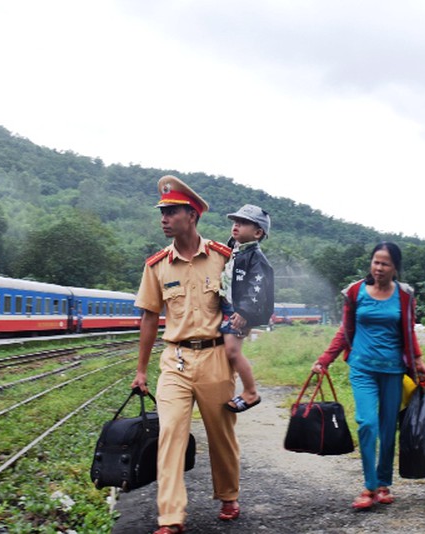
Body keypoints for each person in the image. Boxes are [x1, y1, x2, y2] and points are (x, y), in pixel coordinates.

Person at [131, 175, 241, 534]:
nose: (164, 219)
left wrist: (237, 348)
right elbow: (150, 317)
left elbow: (241, 308)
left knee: (221, 434)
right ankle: (170, 516)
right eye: (162, 212)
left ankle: (228, 494)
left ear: (192, 215)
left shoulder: (223, 259)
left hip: (215, 358)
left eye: (171, 212)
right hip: (175, 360)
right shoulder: (157, 265)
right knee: (170, 434)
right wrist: (141, 371)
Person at [312, 242, 425, 510]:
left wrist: (418, 361)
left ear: (395, 267)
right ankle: (369, 486)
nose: (379, 268)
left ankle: (383, 484)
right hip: (362, 368)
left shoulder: (404, 295)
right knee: (367, 423)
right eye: (376, 262)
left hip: (393, 370)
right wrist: (325, 359)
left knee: (388, 428)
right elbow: (345, 330)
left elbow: (408, 331)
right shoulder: (356, 292)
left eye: (385, 263)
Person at [221, 204, 274, 413]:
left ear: (257, 233)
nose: (236, 226)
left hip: (239, 311)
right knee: (223, 350)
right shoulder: (234, 251)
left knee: (232, 351)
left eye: (243, 223)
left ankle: (251, 392)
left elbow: (257, 288)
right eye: (235, 222)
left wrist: (245, 312)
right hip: (227, 307)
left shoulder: (255, 257)